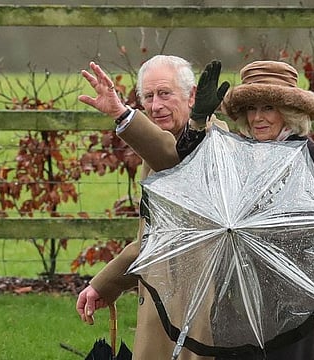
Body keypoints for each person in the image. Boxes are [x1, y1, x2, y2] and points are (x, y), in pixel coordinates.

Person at [76, 55, 228, 360]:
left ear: (193, 95)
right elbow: (154, 238)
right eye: (147, 96)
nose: (155, 105)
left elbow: (177, 163)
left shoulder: (215, 140)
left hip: (198, 311)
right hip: (162, 308)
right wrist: (106, 284)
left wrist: (122, 114)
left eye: (164, 93)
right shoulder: (160, 144)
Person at [218, 60, 314, 359]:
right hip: (244, 292)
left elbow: (309, 225)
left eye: (268, 108)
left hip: (296, 295)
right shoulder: (237, 156)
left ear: (287, 113)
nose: (258, 117)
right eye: (251, 109)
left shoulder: (312, 157)